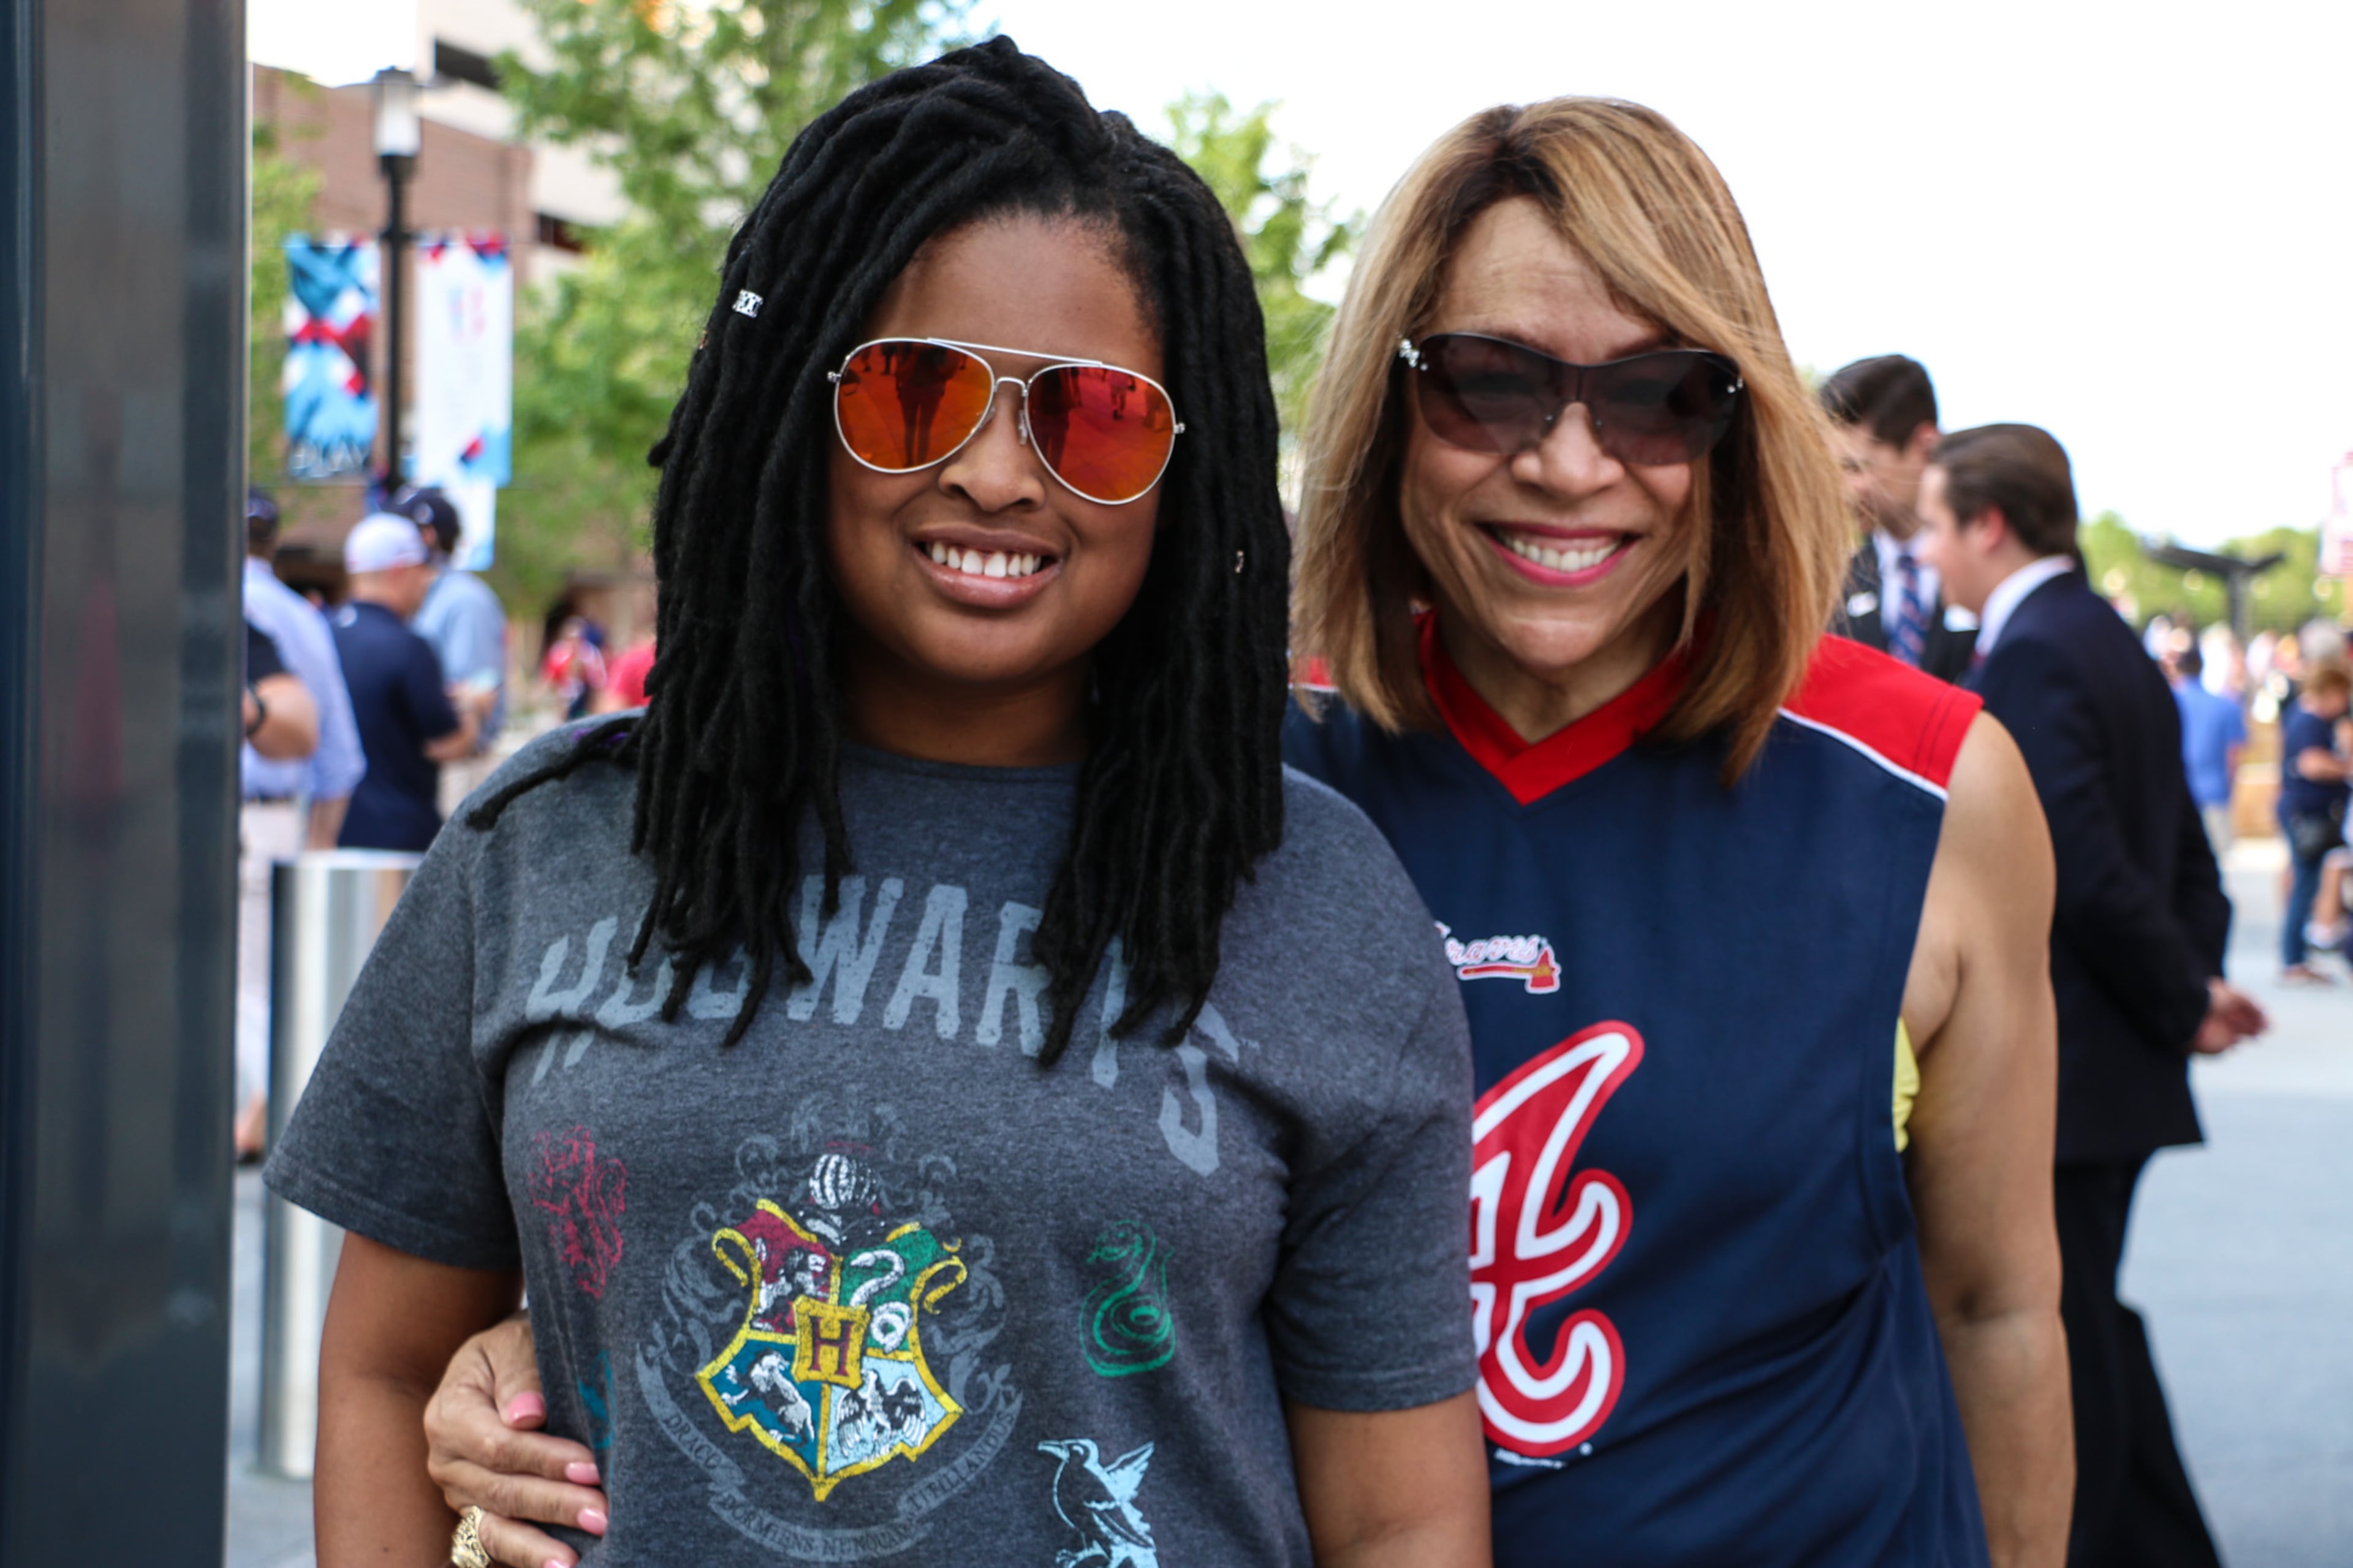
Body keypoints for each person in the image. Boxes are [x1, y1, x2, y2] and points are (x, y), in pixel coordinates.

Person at [428, 92, 2072, 1568]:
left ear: (1742, 422)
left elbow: (1999, 1305)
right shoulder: (1207, 781)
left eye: (1660, 395)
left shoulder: (1928, 786)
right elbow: (871, 1147)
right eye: (1489, 383)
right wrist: (524, 1343)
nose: (1572, 462)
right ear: (1383, 405)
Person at [267, 40, 1488, 1568]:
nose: (998, 473)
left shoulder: (1309, 889)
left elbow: (1402, 1517)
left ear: (1185, 471)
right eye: (917, 394)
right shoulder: (549, 844)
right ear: (795, 408)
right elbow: (386, 1371)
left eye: (1095, 416)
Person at [1914, 422, 2267, 1567]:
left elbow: (2077, 866)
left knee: (2058, 1335)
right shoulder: (2106, 635)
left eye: (1933, 526)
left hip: (2070, 1069)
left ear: (1989, 525)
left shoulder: (2034, 655)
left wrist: (2182, 997)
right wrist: (2192, 984)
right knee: (2090, 1316)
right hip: (2117, 1057)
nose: (1924, 553)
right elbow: (2183, 857)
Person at [238, 487, 368, 1156]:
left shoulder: (222, 604)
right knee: (261, 989)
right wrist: (317, 841)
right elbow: (340, 755)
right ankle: (265, 1117)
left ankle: (268, 1119)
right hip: (272, 822)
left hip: (229, 818)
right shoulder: (299, 616)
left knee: (243, 994)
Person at [1821, 354, 1978, 682]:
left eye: (1856, 467)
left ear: (1925, 447)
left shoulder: (1992, 563)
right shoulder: (1832, 587)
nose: (1841, 491)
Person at [330, 513, 477, 851]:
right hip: (398, 837)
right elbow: (447, 744)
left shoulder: (324, 633)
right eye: (423, 571)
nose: (427, 582)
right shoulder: (408, 647)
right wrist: (472, 709)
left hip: (331, 827)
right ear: (400, 571)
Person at [397, 485, 510, 765]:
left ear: (426, 536)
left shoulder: (465, 601)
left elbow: (476, 696)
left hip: (457, 765)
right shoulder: (422, 597)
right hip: (425, 761)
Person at [2275, 660, 2352, 982]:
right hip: (2307, 815)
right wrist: (2346, 768)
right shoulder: (2309, 720)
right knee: (2305, 883)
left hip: (2308, 813)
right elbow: (2312, 764)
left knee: (2308, 880)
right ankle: (2294, 959)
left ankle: (2299, 955)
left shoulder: (2306, 716)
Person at [2170, 643, 2246, 853]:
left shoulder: (2169, 703)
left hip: (2179, 795)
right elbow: (2233, 756)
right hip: (2215, 794)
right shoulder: (2225, 705)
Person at [539, 615, 605, 720]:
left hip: (584, 698)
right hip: (563, 698)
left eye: (577, 638)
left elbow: (599, 680)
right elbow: (550, 675)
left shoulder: (590, 653)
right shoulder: (559, 652)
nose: (574, 642)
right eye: (570, 638)